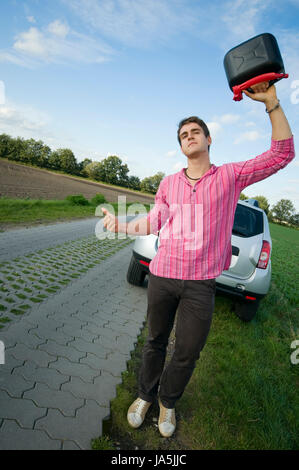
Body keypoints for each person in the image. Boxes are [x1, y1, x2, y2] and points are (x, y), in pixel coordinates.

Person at [101, 82, 295, 438]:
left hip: (200, 286)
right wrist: (121, 225)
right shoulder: (169, 183)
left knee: (187, 351)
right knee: (155, 342)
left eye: (196, 132)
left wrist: (272, 104)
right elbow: (154, 220)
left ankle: (167, 403)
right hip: (163, 277)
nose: (190, 137)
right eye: (184, 135)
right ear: (181, 145)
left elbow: (281, 154)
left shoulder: (229, 177)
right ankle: (145, 395)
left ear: (208, 141)